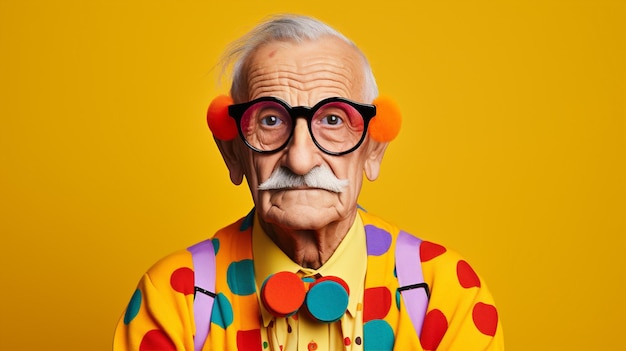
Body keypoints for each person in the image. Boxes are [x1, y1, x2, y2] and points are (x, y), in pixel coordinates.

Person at [114, 14, 504, 351]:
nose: (300, 159)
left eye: (332, 120)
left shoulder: (446, 293)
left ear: (373, 150)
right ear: (232, 152)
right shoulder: (175, 298)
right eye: (270, 120)